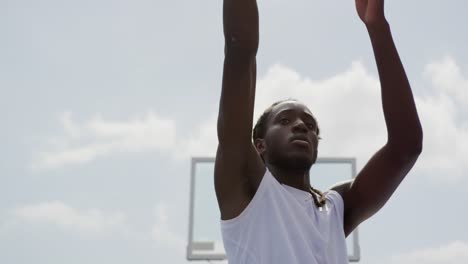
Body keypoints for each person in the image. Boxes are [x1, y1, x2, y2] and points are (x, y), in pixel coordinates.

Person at [214, 0, 423, 263]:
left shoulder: (334, 208)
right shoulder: (245, 186)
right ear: (259, 145)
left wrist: (378, 27)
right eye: (285, 120)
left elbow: (406, 147)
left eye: (310, 125)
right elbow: (240, 52)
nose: (301, 126)